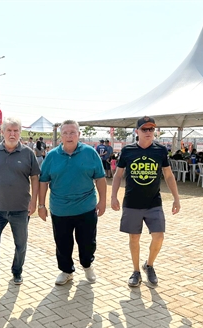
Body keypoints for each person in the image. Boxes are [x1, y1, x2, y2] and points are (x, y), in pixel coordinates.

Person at [112, 116, 180, 287]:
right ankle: (136, 272)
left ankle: (149, 265)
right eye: (145, 129)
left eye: (151, 129)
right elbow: (118, 175)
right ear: (137, 132)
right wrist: (113, 196)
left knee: (159, 237)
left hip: (154, 202)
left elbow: (168, 175)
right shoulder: (127, 151)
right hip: (132, 202)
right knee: (134, 238)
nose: (149, 132)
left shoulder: (160, 150)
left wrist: (176, 198)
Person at [38, 120, 106, 285]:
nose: (69, 136)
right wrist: (41, 205)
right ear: (61, 136)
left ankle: (87, 265)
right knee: (62, 243)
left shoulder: (90, 153)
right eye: (66, 133)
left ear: (79, 134)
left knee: (87, 242)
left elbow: (100, 178)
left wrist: (103, 201)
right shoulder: (52, 156)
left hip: (86, 208)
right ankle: (66, 271)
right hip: (60, 210)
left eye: (72, 132)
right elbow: (43, 182)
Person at [0, 117, 40, 290]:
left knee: (20, 244)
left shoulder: (28, 154)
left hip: (21, 209)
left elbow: (35, 178)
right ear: (2, 132)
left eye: (16, 131)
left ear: (20, 133)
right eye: (9, 130)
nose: (12, 134)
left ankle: (17, 271)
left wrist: (34, 201)